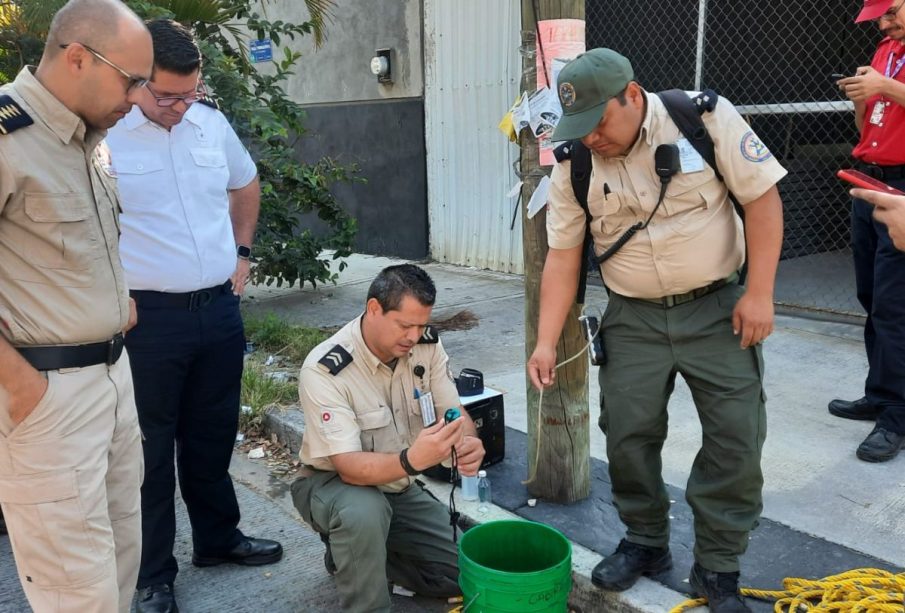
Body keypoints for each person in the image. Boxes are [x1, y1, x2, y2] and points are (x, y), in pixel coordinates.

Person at [527, 49, 786, 613]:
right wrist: (546, 341)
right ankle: (645, 540)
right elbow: (563, 257)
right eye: (582, 126)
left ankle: (718, 566)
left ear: (633, 94)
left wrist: (760, 293)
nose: (592, 136)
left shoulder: (703, 118)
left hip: (717, 309)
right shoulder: (574, 163)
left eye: (601, 121)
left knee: (735, 438)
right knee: (627, 436)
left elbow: (763, 201)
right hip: (633, 317)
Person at [104, 19, 281, 613]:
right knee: (148, 454)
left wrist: (243, 252)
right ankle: (152, 574)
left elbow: (246, 181)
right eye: (167, 96)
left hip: (218, 311)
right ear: (135, 82)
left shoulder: (209, 122)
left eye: (190, 93)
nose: (181, 106)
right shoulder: (105, 136)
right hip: (145, 321)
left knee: (210, 437)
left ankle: (218, 538)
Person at [0, 1, 152, 611]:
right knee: (76, 593)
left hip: (112, 380)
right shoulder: (10, 137)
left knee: (118, 565)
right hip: (47, 393)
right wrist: (19, 387)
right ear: (77, 57)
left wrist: (114, 305)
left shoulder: (88, 139)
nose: (138, 98)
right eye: (132, 79)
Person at [290, 264, 485, 613]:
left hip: (396, 485)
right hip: (331, 484)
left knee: (465, 573)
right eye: (405, 325)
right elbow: (348, 467)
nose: (413, 336)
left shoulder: (426, 346)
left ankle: (353, 556)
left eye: (421, 325)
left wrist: (467, 440)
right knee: (363, 512)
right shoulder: (326, 369)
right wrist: (413, 460)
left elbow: (453, 411)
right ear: (374, 309)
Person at [830, 0, 905, 463]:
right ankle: (880, 393)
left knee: (896, 303)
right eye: (879, 16)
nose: (884, 21)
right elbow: (867, 124)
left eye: (892, 10)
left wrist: (887, 87)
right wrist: (863, 99)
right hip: (871, 173)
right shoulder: (885, 49)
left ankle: (897, 415)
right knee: (873, 296)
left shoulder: (888, 66)